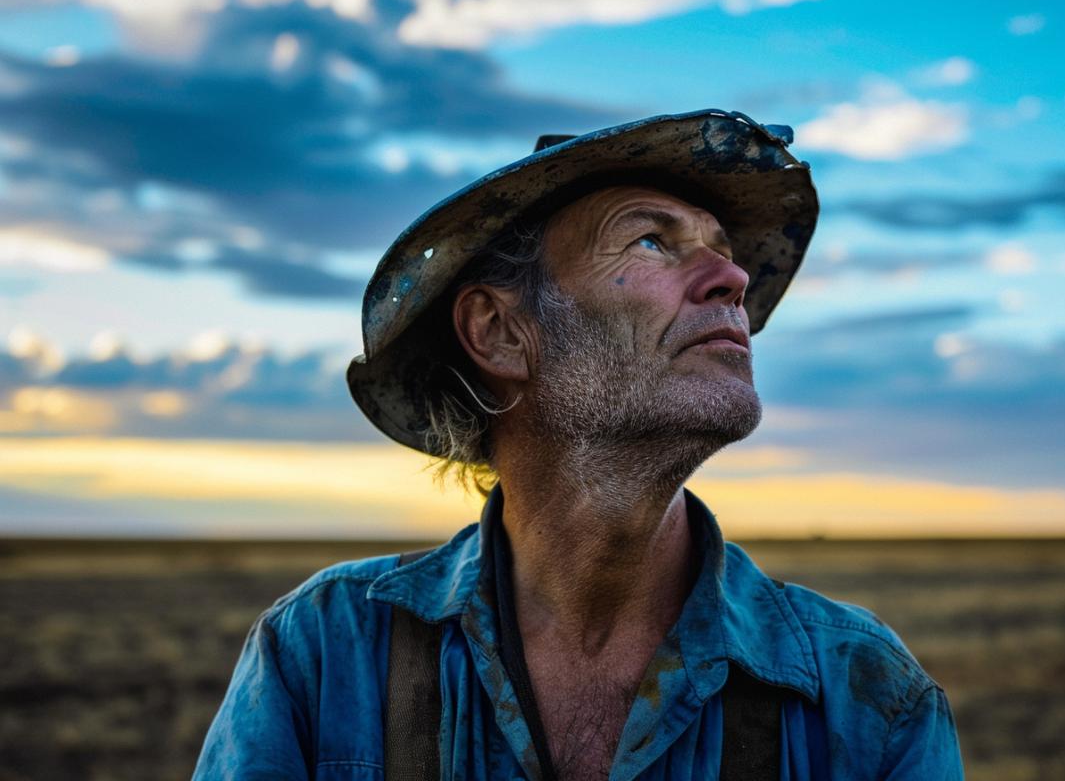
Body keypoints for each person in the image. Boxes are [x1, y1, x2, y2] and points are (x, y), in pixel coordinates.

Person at [194, 110, 964, 780]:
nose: (730, 276)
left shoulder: (865, 696)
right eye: (652, 242)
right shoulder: (323, 656)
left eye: (723, 249)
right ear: (500, 332)